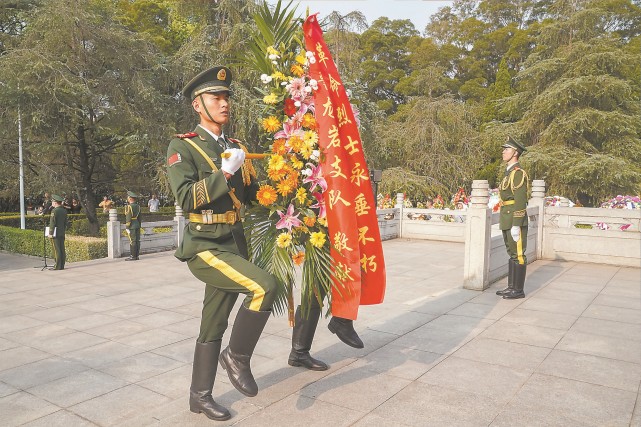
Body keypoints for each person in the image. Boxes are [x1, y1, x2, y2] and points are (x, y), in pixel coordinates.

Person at [166, 66, 278, 421]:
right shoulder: (183, 146)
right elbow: (186, 198)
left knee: (212, 323)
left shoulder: (237, 146)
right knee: (265, 287)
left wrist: (287, 188)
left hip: (234, 244)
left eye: (227, 97)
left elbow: (253, 196)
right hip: (205, 245)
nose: (225, 103)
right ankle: (237, 357)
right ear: (198, 105)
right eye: (216, 97)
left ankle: (199, 397)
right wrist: (224, 173)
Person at [495, 136, 529, 299]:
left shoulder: (518, 174)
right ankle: (511, 287)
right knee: (511, 252)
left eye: (507, 149)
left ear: (515, 153)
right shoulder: (508, 173)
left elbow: (520, 201)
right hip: (506, 217)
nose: (503, 151)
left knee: (519, 254)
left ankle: (518, 290)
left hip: (514, 219)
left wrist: (517, 223)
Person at [48, 194, 67, 270]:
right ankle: (62, 265)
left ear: (55, 202)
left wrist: (50, 233)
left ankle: (57, 266)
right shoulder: (64, 210)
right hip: (62, 232)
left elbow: (52, 223)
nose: (52, 203)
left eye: (52, 201)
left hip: (55, 233)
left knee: (57, 250)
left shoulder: (54, 211)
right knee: (62, 249)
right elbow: (65, 223)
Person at [124, 191, 142, 261]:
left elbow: (128, 218)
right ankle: (137, 255)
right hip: (137, 224)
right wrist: (139, 225)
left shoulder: (129, 207)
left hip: (132, 226)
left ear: (130, 198)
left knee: (132, 241)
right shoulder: (138, 206)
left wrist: (127, 227)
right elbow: (140, 217)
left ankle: (133, 256)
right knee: (137, 240)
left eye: (128, 197)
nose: (127, 198)